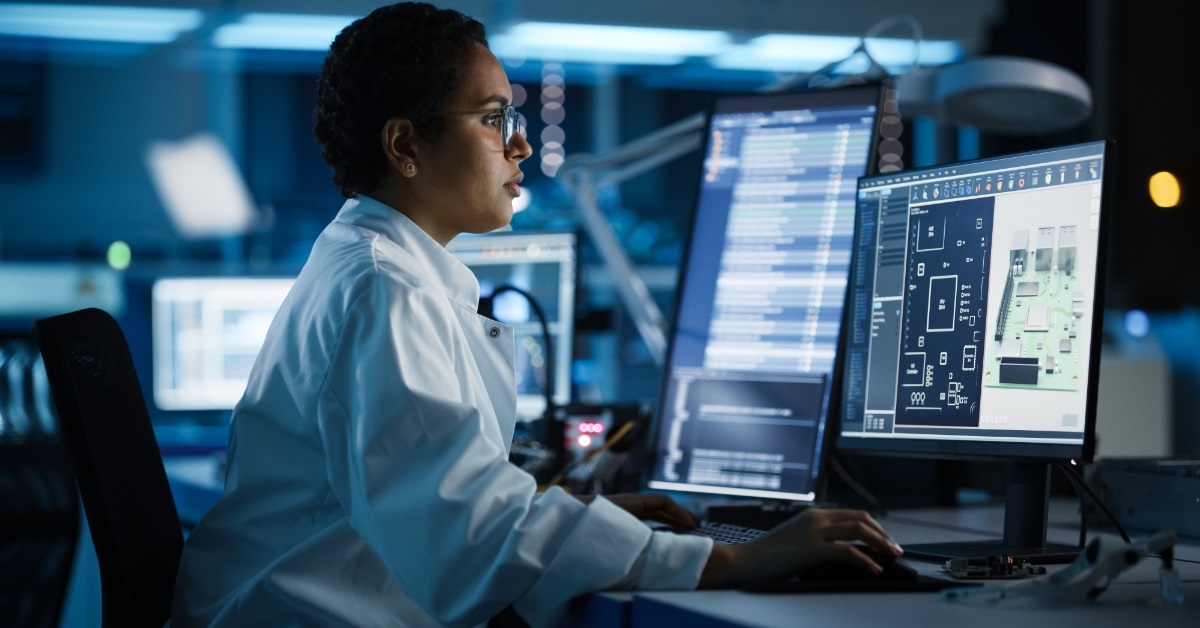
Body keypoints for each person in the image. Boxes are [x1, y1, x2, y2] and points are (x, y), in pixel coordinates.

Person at [170, 3, 903, 626]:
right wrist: (736, 556)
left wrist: (586, 514)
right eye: (493, 119)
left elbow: (441, 492)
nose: (520, 143)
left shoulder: (375, 265)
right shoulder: (382, 289)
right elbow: (471, 533)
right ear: (405, 146)